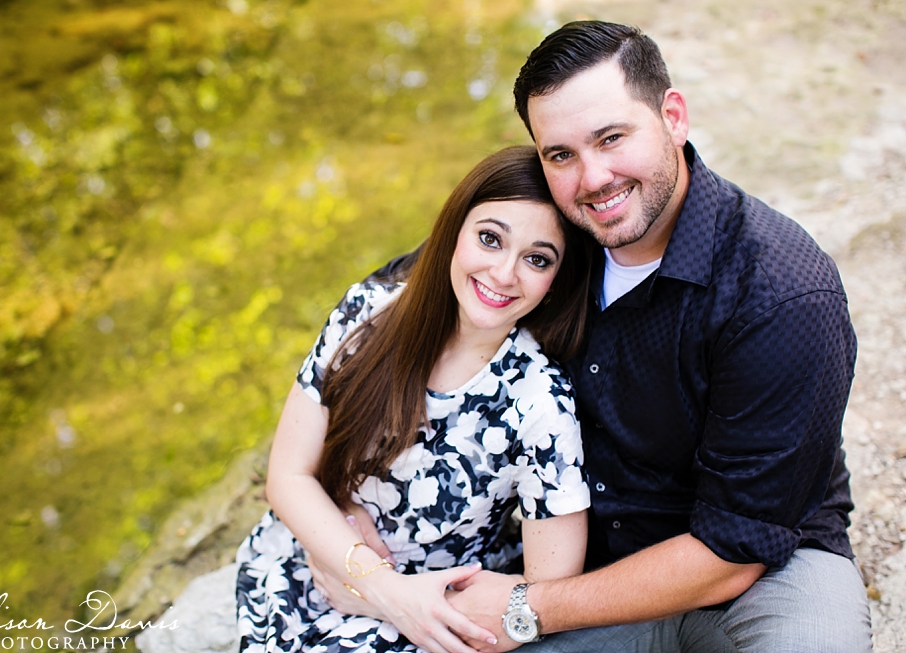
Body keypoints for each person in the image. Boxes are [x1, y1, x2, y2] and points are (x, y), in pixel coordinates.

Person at [314, 20, 872, 652]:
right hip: (580, 567)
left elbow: (736, 548)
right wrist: (342, 510)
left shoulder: (781, 291)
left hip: (763, 574)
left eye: (612, 138)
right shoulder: (546, 236)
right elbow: (403, 297)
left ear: (673, 116)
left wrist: (529, 606)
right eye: (562, 154)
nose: (594, 178)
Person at [235, 146, 599, 653]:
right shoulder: (367, 314)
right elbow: (288, 475)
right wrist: (379, 584)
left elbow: (544, 602)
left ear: (556, 281)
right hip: (318, 558)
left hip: (440, 614)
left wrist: (384, 602)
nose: (503, 273)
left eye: (536, 259)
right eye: (490, 239)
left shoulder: (541, 404)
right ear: (454, 231)